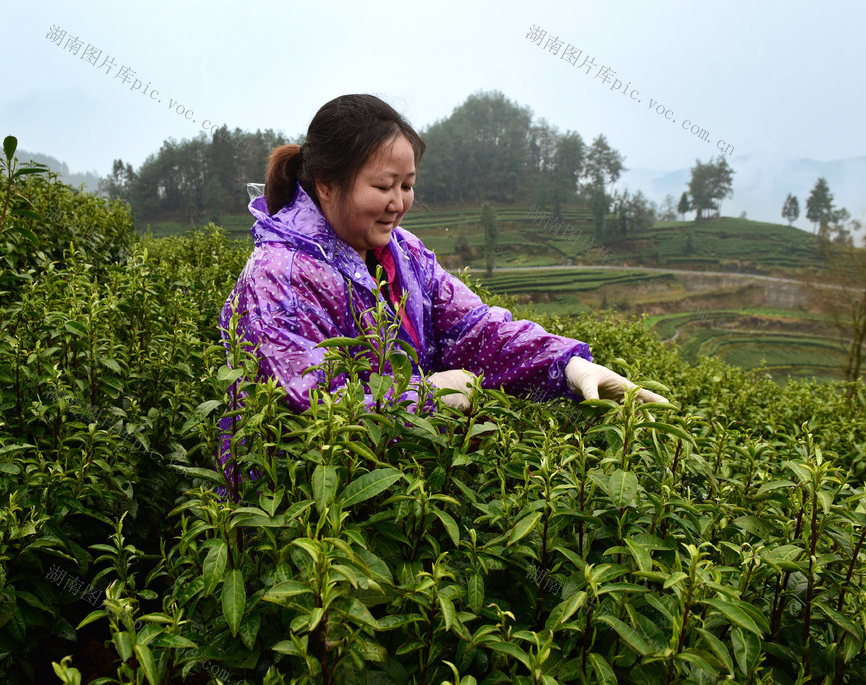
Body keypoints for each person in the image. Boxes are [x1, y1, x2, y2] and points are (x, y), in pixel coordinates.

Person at [217, 94, 666, 464]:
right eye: (383, 186)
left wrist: (566, 364)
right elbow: (304, 404)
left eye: (407, 185)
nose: (399, 202)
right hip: (296, 523)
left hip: (391, 490)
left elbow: (473, 328)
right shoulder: (281, 274)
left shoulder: (402, 252)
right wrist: (425, 396)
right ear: (327, 183)